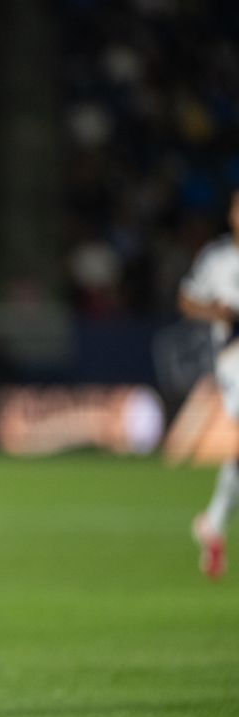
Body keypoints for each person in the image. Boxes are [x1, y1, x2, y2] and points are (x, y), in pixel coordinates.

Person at [177, 188, 239, 580]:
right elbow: (186, 299)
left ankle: (214, 523)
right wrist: (216, 312)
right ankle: (215, 521)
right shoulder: (217, 260)